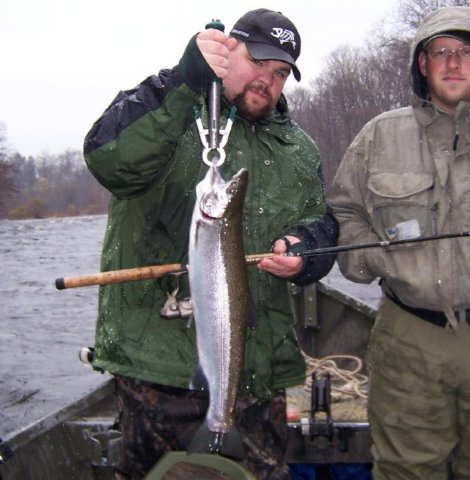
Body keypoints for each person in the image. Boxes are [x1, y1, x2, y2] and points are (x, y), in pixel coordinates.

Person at [83, 8, 338, 480]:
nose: (268, 79)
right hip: (159, 376)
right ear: (226, 52)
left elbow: (323, 225)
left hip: (262, 376)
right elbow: (108, 159)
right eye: (257, 61)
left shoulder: (298, 148)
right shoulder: (173, 112)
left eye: (280, 72)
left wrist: (305, 250)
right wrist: (182, 80)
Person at [327, 6, 470, 480]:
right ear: (422, 64)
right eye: (442, 51)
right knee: (407, 472)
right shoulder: (379, 135)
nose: (455, 63)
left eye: (467, 51)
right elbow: (343, 212)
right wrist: (378, 257)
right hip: (408, 338)